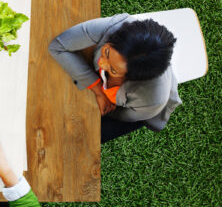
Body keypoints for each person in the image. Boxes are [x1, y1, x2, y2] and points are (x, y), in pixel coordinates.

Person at [48, 14, 180, 142]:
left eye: (113, 70)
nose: (101, 63)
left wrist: (101, 109)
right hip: (114, 90)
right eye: (106, 52)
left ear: (132, 78)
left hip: (133, 111)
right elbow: (57, 47)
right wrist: (98, 89)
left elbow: (122, 115)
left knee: (82, 137)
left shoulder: (151, 100)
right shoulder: (115, 26)